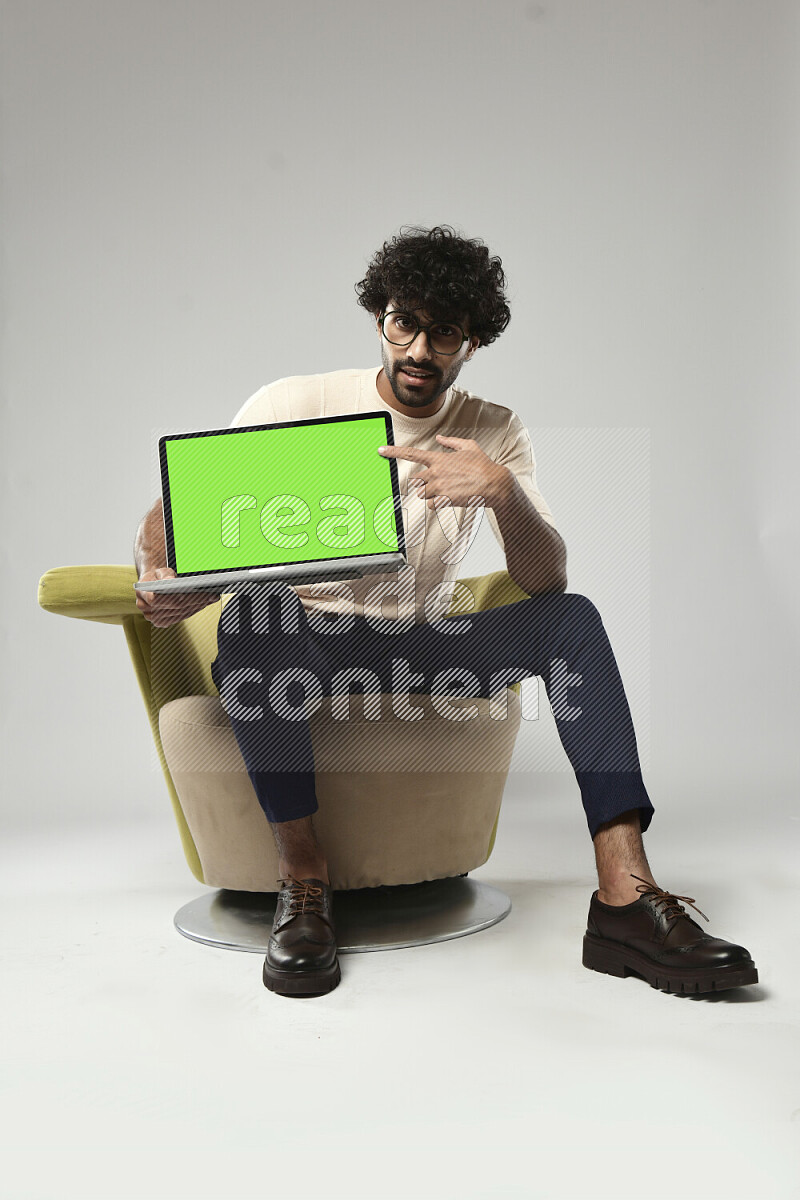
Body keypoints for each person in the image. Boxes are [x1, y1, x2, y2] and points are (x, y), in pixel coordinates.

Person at [134, 225, 758, 999]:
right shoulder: (295, 402)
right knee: (257, 610)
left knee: (573, 620)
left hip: (423, 640)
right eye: (406, 324)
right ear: (380, 319)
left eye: (446, 332)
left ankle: (626, 899)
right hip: (303, 637)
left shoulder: (494, 430)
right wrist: (163, 574)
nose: (421, 349)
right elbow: (173, 515)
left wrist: (501, 493)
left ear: (472, 342)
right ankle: (303, 881)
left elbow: (543, 580)